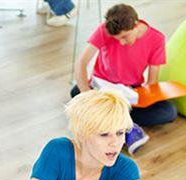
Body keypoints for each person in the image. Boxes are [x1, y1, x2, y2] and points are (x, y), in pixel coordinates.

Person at [73, 3, 176, 154]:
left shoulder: (157, 38)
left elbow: (152, 81)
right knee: (76, 92)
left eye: (124, 37)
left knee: (169, 112)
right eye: (117, 38)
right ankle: (127, 126)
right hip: (102, 87)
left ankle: (113, 121)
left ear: (136, 25)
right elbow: (81, 63)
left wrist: (142, 98)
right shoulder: (104, 30)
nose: (121, 42)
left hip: (130, 91)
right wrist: (86, 93)